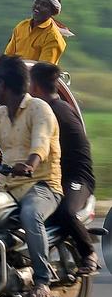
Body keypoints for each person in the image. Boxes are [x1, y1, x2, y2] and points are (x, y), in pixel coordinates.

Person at [0, 56, 62, 297]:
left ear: (4, 84)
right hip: (9, 187)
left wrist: (30, 164)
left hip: (42, 185)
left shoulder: (39, 109)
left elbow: (41, 143)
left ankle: (42, 282)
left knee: (31, 214)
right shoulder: (0, 114)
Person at [30, 62, 99, 274]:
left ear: (35, 87)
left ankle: (89, 253)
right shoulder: (43, 109)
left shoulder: (57, 111)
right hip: (52, 177)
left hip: (76, 178)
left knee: (65, 211)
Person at [5, 0, 67, 64]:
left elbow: (43, 70)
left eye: (44, 5)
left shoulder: (53, 37)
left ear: (53, 11)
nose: (38, 6)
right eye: (37, 2)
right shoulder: (21, 26)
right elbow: (7, 57)